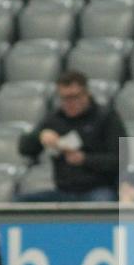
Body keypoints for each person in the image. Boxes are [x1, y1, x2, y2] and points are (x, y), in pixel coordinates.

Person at [17, 71, 126, 202]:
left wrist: (85, 159)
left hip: (99, 188)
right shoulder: (55, 119)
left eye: (75, 97)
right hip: (64, 191)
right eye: (64, 98)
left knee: (100, 203)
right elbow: (24, 148)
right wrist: (39, 137)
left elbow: (120, 160)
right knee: (20, 203)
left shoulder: (106, 117)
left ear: (86, 94)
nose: (70, 103)